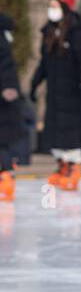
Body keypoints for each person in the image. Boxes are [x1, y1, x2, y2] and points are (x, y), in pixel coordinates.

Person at [30, 0, 81, 192]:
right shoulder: (48, 32)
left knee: (71, 131)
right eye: (51, 6)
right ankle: (62, 166)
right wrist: (35, 82)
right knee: (55, 130)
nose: (52, 10)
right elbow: (44, 63)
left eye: (56, 6)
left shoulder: (76, 33)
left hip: (72, 92)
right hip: (55, 92)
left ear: (65, 8)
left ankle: (74, 168)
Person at [0, 12, 22, 200]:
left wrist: (8, 87)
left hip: (4, 101)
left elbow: (6, 66)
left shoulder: (2, 41)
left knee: (4, 142)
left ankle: (6, 177)